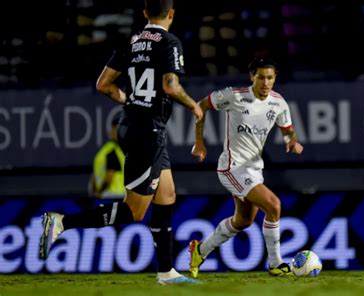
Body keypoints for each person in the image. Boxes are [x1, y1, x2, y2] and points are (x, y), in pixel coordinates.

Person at [39, 0, 203, 284]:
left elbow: (103, 84)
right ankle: (62, 222)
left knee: (167, 195)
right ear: (172, 14)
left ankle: (166, 271)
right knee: (135, 211)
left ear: (144, 12)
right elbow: (170, 85)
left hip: (135, 125)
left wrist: (129, 101)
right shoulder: (170, 42)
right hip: (147, 131)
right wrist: (194, 107)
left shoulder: (134, 40)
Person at [189, 56, 304, 277]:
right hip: (232, 167)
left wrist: (292, 140)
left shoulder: (278, 102)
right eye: (261, 77)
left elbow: (288, 129)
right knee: (273, 206)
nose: (265, 83)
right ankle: (276, 264)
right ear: (252, 76)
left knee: (243, 220)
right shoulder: (234, 96)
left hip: (253, 169)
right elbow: (200, 106)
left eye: (270, 78)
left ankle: (200, 251)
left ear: (275, 78)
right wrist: (199, 142)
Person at [89, 115, 126, 199]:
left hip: (109, 194)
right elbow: (109, 175)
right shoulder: (112, 151)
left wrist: (95, 192)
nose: (115, 132)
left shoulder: (108, 150)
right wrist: (98, 192)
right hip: (111, 195)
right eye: (114, 129)